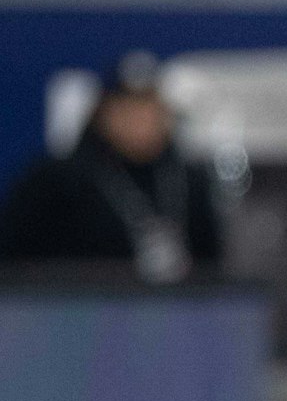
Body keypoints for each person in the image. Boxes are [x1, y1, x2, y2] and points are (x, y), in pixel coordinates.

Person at [0, 52, 224, 281]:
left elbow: (214, 264)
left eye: (149, 106)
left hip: (180, 311)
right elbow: (15, 261)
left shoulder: (189, 181)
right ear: (103, 112)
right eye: (127, 107)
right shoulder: (55, 181)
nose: (140, 119)